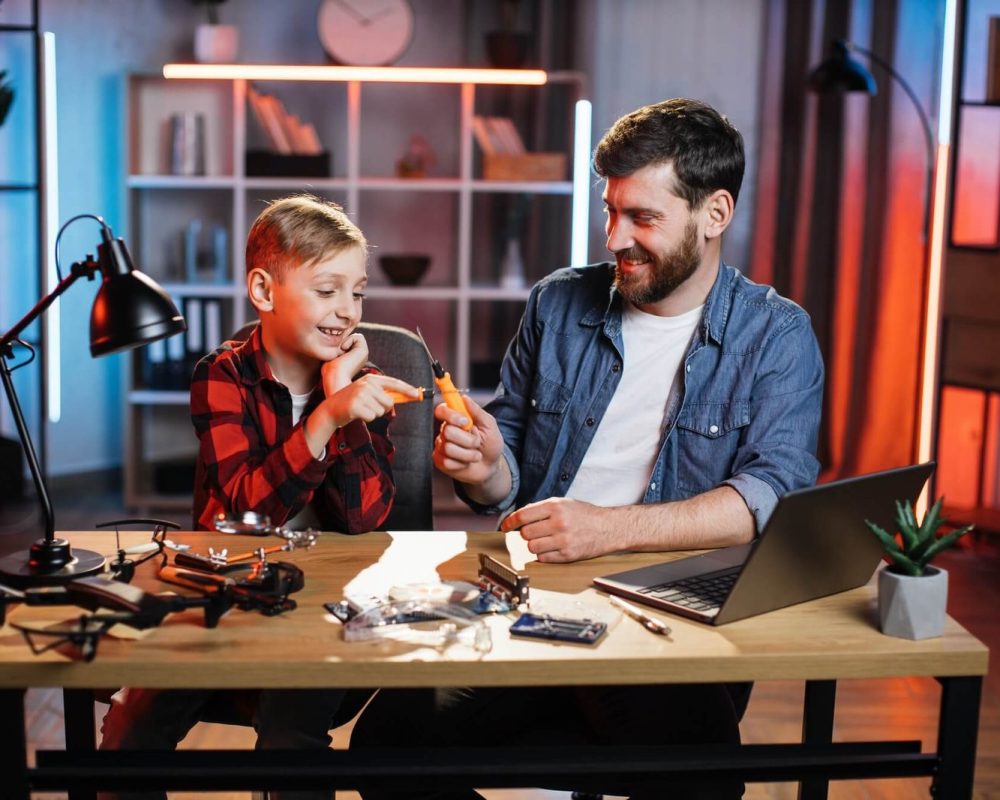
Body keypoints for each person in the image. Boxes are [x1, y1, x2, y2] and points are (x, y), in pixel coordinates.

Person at [350, 99, 824, 799]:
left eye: (643, 218)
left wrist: (608, 529)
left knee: (705, 774)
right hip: (529, 606)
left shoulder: (776, 336)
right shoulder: (557, 304)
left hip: (670, 621)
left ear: (714, 214)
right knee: (382, 746)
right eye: (611, 211)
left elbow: (769, 497)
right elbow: (503, 484)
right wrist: (484, 467)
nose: (615, 237)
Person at [98, 194, 421, 800]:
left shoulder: (363, 390)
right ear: (265, 292)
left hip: (324, 604)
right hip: (218, 587)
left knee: (290, 738)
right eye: (328, 291)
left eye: (357, 293)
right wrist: (324, 420)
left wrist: (340, 402)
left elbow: (363, 519)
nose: (347, 311)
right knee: (129, 731)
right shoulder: (220, 377)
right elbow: (244, 517)